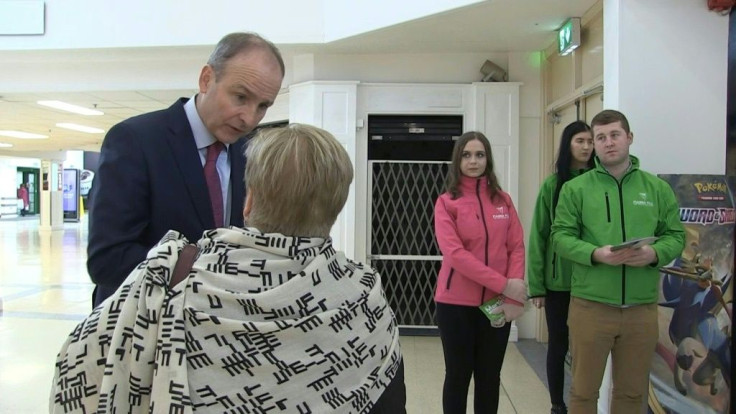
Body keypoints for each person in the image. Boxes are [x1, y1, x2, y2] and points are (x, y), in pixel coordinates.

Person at [50, 124, 406, 413]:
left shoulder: (171, 279)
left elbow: (78, 367)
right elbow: (389, 400)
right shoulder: (362, 296)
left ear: (248, 200)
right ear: (337, 206)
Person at [87, 32, 284, 307]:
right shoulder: (135, 140)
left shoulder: (249, 152)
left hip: (215, 332)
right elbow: (107, 261)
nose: (250, 118)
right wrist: (209, 273)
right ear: (206, 79)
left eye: (263, 106)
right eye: (240, 97)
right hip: (143, 329)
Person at [551, 109, 685, 414]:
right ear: (594, 145)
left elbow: (675, 236)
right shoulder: (576, 189)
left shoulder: (657, 189)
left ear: (629, 138)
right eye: (601, 137)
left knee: (631, 393)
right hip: (590, 306)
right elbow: (560, 237)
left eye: (614, 135)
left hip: (640, 309)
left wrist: (654, 254)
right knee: (584, 392)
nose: (608, 143)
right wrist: (597, 254)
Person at [433, 131, 527, 414]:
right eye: (467, 155)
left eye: (480, 154)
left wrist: (513, 296)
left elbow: (517, 246)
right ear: (457, 160)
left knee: (489, 378)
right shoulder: (447, 202)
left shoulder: (503, 200)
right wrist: (504, 284)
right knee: (458, 376)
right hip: (455, 305)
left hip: (496, 306)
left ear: (488, 159)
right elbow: (456, 255)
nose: (473, 161)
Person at [527, 120, 594, 414]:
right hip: (558, 284)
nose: (586, 146)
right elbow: (538, 236)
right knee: (558, 345)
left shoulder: (601, 182)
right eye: (580, 140)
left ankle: (586, 401)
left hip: (593, 281)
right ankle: (557, 404)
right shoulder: (552, 185)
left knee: (588, 347)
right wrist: (537, 286)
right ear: (568, 144)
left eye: (590, 141)